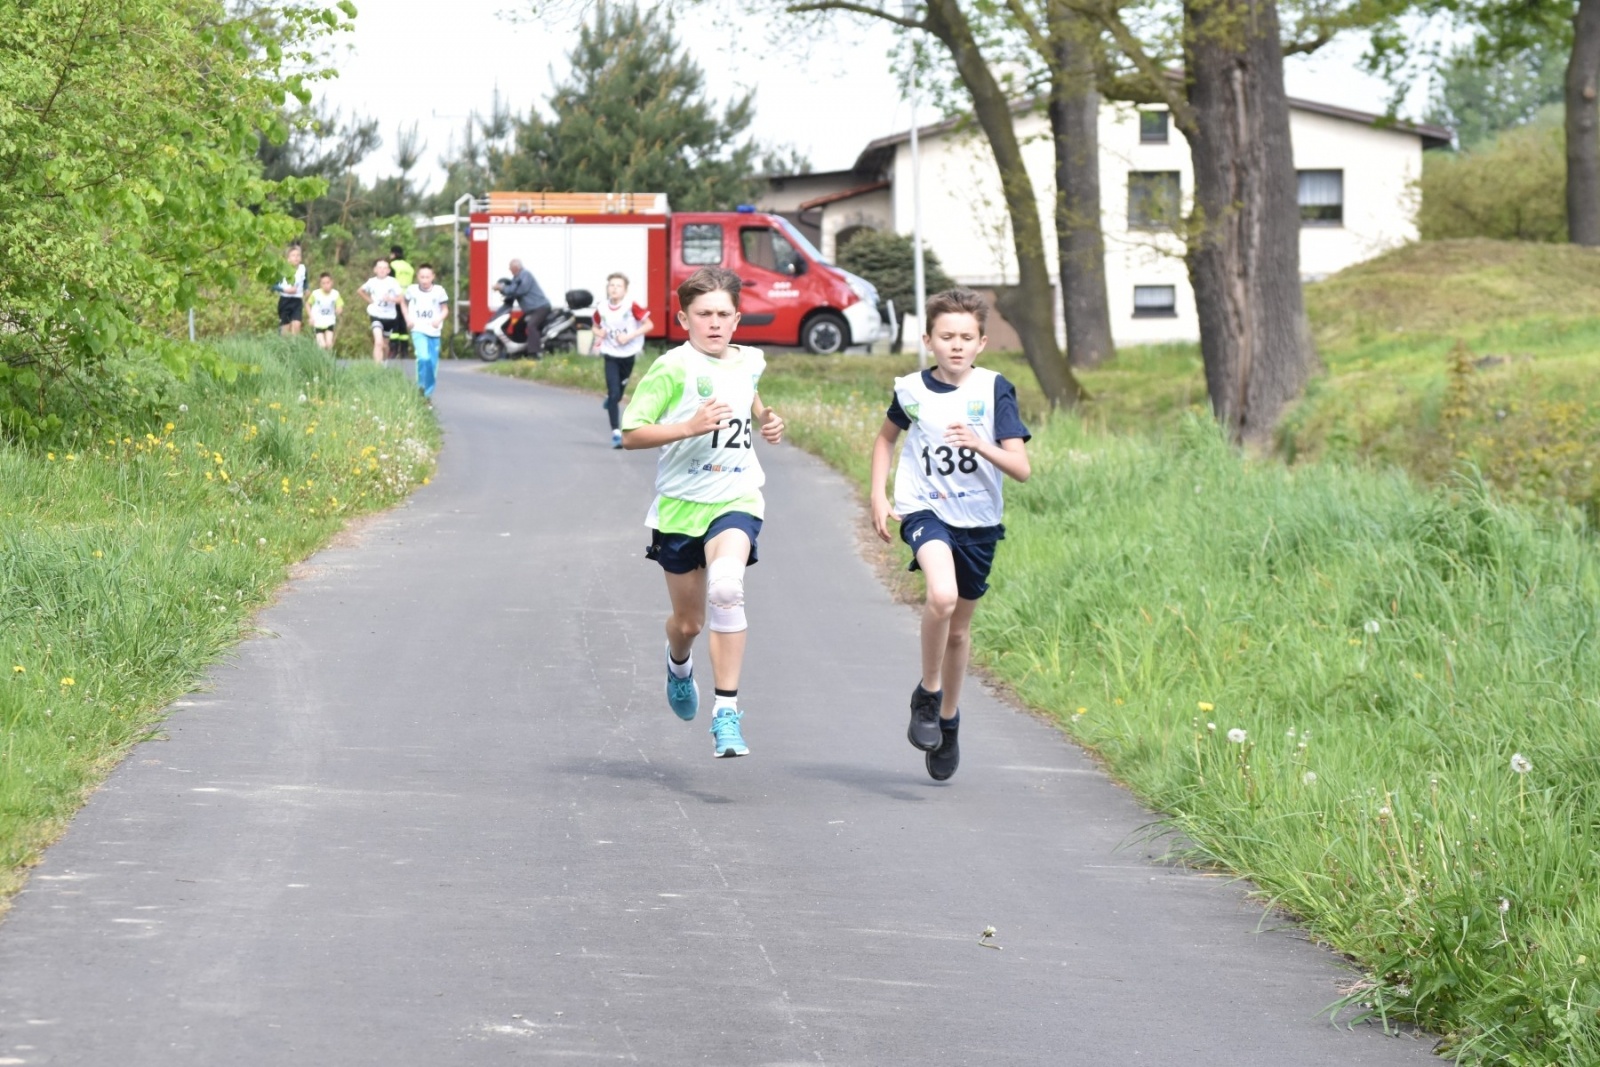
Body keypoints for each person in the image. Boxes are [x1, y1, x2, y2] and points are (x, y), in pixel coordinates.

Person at [868, 289, 1032, 782]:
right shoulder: (911, 390)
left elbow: (1021, 468)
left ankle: (949, 718)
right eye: (946, 337)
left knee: (959, 630)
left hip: (979, 522)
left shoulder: (994, 389)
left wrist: (980, 444)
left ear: (981, 343)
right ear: (929, 340)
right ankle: (929, 692)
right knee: (941, 596)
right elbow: (885, 439)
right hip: (925, 509)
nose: (956, 345)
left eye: (966, 337)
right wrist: (878, 494)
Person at [621, 267, 784, 758]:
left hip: (736, 496)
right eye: (703, 314)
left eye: (722, 314)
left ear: (737, 319)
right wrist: (689, 427)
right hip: (679, 508)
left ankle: (726, 713)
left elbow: (750, 397)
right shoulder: (672, 368)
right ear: (683, 318)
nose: (714, 323)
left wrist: (768, 420)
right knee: (688, 623)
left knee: (728, 589)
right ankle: (677, 664)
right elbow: (632, 434)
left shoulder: (751, 360)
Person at [593, 271, 653, 448]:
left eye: (618, 286)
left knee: (619, 394)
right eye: (611, 285)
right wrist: (600, 333)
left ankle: (612, 398)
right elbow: (595, 327)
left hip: (628, 354)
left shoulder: (631, 306)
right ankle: (616, 433)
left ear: (625, 290)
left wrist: (630, 336)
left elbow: (649, 325)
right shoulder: (602, 307)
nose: (614, 289)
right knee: (613, 394)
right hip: (610, 354)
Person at [403, 263, 450, 400]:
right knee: (423, 358)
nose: (424, 280)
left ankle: (428, 393)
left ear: (432, 277)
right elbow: (403, 303)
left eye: (427, 277)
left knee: (432, 363)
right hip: (418, 329)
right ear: (418, 277)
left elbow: (445, 309)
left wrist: (439, 319)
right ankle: (421, 387)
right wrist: (407, 319)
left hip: (434, 331)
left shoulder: (439, 291)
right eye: (422, 277)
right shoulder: (412, 290)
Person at [497, 258, 550, 358]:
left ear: (516, 267)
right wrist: (503, 291)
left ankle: (535, 353)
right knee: (517, 326)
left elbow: (520, 290)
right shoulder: (516, 278)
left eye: (510, 267)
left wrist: (502, 288)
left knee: (531, 325)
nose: (509, 269)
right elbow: (512, 290)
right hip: (532, 310)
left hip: (540, 307)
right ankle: (521, 350)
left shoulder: (525, 275)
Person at [358, 258, 403, 364]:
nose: (382, 270)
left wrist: (391, 299)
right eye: (379, 267)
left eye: (384, 268)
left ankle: (385, 362)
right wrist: (370, 300)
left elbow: (401, 298)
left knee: (385, 345)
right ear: (375, 270)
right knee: (378, 342)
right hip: (376, 314)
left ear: (388, 270)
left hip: (390, 316)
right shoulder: (371, 282)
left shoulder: (393, 282)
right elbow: (360, 291)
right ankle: (377, 370)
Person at [388, 245, 416, 359]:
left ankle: (394, 349)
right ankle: (404, 350)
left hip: (396, 296)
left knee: (394, 322)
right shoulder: (409, 267)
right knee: (404, 323)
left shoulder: (392, 266)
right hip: (407, 297)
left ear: (393, 254)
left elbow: (390, 281)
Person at [274, 245, 307, 336]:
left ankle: (294, 348)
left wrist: (306, 289)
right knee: (285, 329)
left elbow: (305, 280)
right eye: (293, 255)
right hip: (285, 300)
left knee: (297, 325)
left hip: (297, 300)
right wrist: (285, 290)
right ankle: (281, 347)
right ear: (288, 259)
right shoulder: (282, 270)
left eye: (298, 255)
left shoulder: (303, 269)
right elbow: (273, 285)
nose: (296, 257)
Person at [307, 273, 344, 352]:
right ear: (320, 284)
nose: (326, 285)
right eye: (323, 283)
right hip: (318, 322)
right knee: (322, 345)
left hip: (330, 321)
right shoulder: (316, 294)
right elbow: (308, 304)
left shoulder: (335, 294)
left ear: (332, 282)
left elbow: (339, 305)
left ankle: (328, 361)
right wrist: (310, 317)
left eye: (328, 282)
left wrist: (339, 310)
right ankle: (320, 361)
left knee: (329, 344)